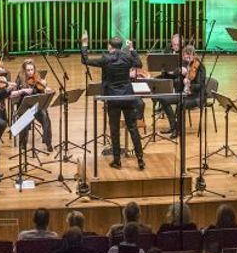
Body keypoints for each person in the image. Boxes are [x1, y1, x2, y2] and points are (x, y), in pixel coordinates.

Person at [80, 30, 145, 170]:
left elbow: (85, 60)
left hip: (113, 98)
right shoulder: (127, 57)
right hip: (127, 96)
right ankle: (140, 159)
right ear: (121, 47)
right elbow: (139, 64)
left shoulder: (106, 59)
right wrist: (132, 49)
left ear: (110, 46)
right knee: (133, 128)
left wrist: (84, 43)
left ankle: (117, 160)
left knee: (114, 130)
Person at [155, 42, 207, 135]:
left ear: (193, 55)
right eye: (185, 56)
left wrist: (189, 84)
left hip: (197, 96)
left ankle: (178, 131)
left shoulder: (200, 67)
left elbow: (200, 85)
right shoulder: (184, 63)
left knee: (180, 105)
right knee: (163, 99)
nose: (187, 59)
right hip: (184, 94)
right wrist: (179, 71)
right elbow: (174, 75)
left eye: (189, 56)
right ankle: (173, 126)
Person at [9, 59, 54, 152]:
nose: (30, 72)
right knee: (24, 119)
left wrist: (46, 88)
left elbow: (42, 90)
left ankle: (48, 143)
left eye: (32, 70)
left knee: (45, 117)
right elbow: (12, 94)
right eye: (28, 70)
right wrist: (22, 91)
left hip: (36, 106)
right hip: (24, 106)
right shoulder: (20, 78)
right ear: (24, 70)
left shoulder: (37, 77)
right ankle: (23, 144)